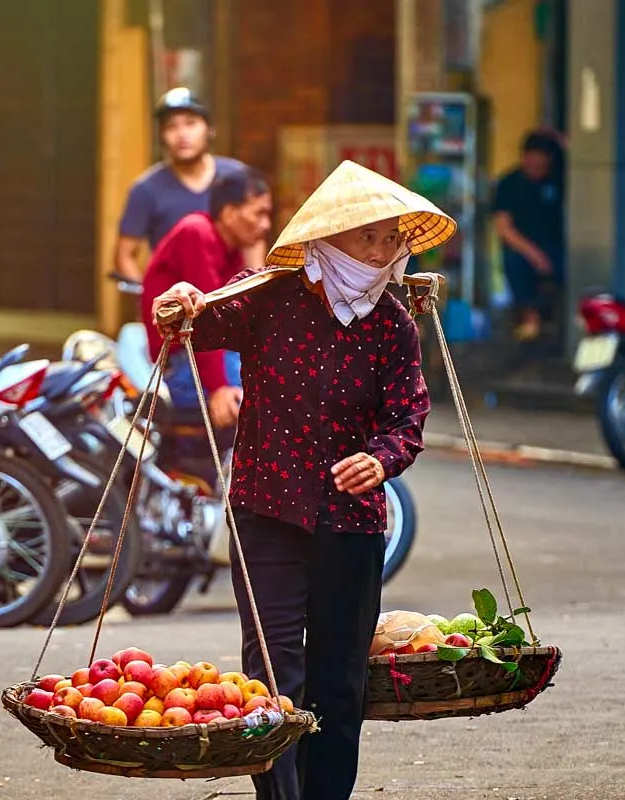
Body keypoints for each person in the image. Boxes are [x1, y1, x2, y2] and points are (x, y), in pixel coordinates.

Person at [151, 160, 448, 800]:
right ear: (329, 237)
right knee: (273, 679)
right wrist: (176, 305)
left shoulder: (391, 322)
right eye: (368, 236)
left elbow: (408, 414)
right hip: (266, 511)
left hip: (352, 521)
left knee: (339, 682)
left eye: (392, 237)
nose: (384, 250)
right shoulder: (267, 295)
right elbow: (192, 322)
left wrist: (382, 458)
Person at [139, 168, 272, 490]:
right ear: (229, 213)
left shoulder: (227, 246)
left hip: (203, 357)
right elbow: (206, 322)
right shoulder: (197, 232)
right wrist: (218, 388)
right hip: (181, 364)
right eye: (259, 213)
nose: (265, 224)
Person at [116, 88, 266, 281]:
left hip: (230, 299)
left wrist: (254, 291)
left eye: (190, 123)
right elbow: (125, 256)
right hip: (174, 302)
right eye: (171, 127)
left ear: (209, 129)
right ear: (162, 135)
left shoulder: (237, 177)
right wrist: (149, 297)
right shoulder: (145, 189)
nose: (182, 134)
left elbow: (253, 238)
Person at [492, 130, 566, 342]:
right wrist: (535, 256)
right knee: (513, 261)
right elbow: (504, 228)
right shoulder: (509, 183)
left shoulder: (560, 180)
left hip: (557, 248)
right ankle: (529, 318)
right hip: (524, 250)